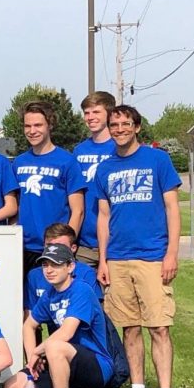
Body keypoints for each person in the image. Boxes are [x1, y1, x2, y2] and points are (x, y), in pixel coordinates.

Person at [95, 104, 181, 388]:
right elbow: (103, 217)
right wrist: (103, 259)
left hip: (152, 255)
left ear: (137, 127)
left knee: (159, 326)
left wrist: (171, 253)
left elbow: (172, 208)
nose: (119, 129)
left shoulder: (157, 160)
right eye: (114, 124)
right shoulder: (104, 169)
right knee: (129, 327)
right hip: (118, 258)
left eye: (125, 124)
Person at [3, 243, 114, 388]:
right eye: (45, 265)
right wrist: (32, 357)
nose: (49, 270)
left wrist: (39, 351)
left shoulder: (82, 290)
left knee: (54, 344)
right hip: (60, 359)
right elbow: (29, 325)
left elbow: (67, 332)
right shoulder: (50, 295)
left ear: (70, 267)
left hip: (96, 363)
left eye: (55, 265)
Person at [13, 101, 85, 276]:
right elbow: (15, 208)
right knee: (25, 302)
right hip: (23, 247)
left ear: (50, 125)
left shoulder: (67, 161)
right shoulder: (18, 162)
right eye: (27, 126)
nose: (32, 131)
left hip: (54, 248)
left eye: (38, 125)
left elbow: (78, 211)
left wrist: (64, 247)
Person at [73, 92, 117, 267]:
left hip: (116, 242)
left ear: (109, 113)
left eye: (96, 112)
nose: (90, 117)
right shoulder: (79, 151)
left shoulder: (119, 147)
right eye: (87, 113)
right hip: (85, 244)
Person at [24, 223, 102, 316]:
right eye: (49, 246)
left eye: (60, 247)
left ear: (73, 248)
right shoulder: (34, 276)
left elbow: (92, 311)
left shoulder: (85, 273)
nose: (54, 251)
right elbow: (29, 315)